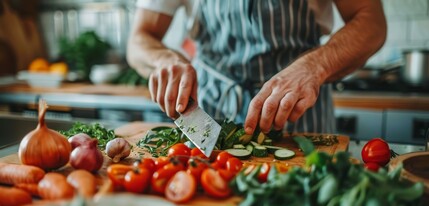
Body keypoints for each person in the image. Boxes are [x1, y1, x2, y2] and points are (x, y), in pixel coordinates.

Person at [127, 0, 386, 136]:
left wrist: (312, 67)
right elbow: (139, 39)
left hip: (301, 110)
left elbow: (371, 22)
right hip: (212, 110)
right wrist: (165, 60)